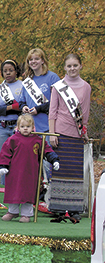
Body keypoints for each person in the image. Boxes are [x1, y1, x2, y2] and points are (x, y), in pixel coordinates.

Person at [47, 54, 91, 221]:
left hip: (76, 135)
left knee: (75, 172)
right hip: (60, 133)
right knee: (59, 170)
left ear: (80, 66)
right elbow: (53, 111)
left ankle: (74, 208)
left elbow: (84, 112)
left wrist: (84, 132)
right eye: (69, 66)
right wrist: (52, 133)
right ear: (64, 68)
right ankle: (58, 207)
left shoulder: (86, 87)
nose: (72, 68)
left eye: (75, 65)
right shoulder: (58, 86)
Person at [0, 114, 60, 223]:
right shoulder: (13, 139)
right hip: (14, 172)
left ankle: (26, 214)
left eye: (28, 126)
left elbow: (47, 151)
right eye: (22, 126)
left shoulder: (38, 140)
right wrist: (3, 166)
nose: (25, 129)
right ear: (18, 127)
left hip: (30, 172)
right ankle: (12, 211)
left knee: (28, 192)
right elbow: (5, 153)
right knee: (14, 191)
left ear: (32, 127)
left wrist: (54, 160)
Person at [0, 59, 23, 185]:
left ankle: (18, 187)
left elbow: (23, 106)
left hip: (18, 126)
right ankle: (4, 189)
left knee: (18, 159)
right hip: (1, 127)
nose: (8, 73)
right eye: (5, 71)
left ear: (16, 71)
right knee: (4, 159)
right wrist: (11, 108)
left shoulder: (23, 85)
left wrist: (5, 109)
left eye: (11, 70)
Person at [19, 48, 60, 133]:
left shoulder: (52, 77)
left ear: (42, 61)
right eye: (31, 59)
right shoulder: (27, 81)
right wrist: (23, 107)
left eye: (37, 59)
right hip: (31, 128)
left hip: (48, 127)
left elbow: (58, 101)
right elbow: (21, 101)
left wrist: (39, 109)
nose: (33, 61)